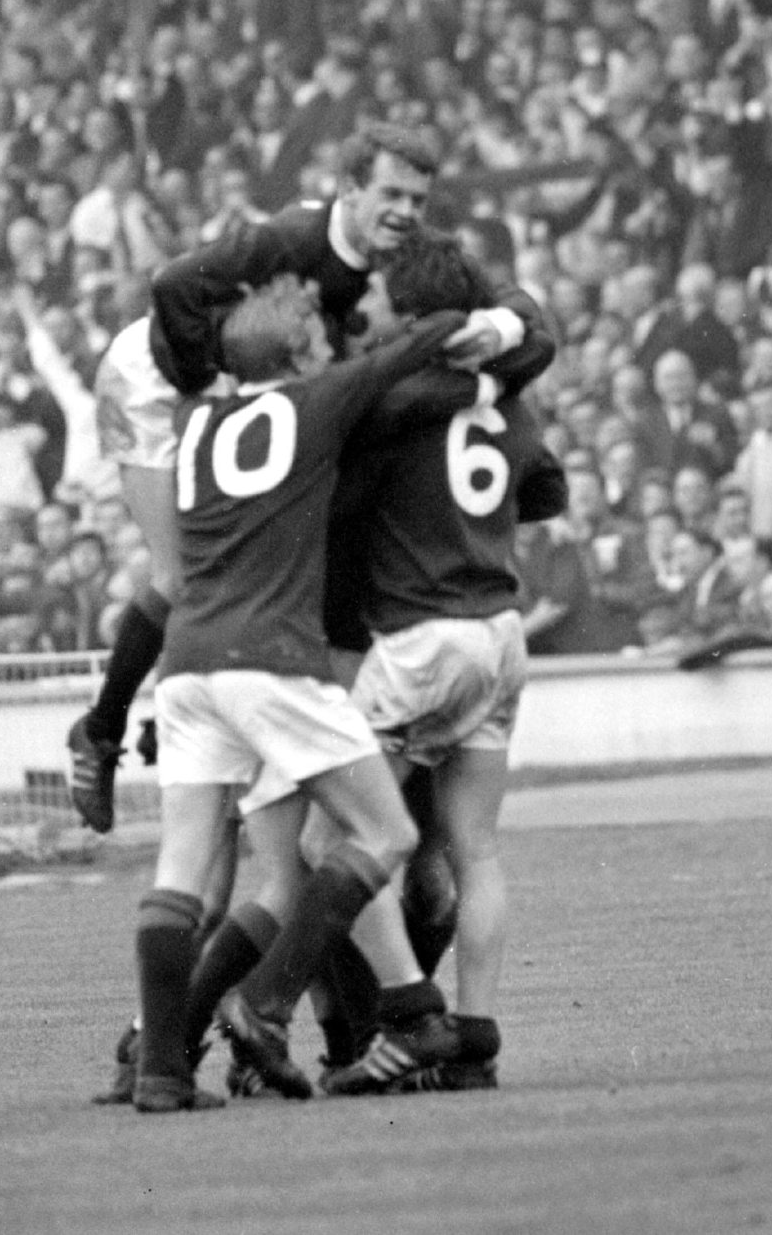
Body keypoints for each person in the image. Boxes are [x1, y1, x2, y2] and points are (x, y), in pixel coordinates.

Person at [68, 123, 545, 833]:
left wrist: (503, 330)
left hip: (259, 395)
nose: (405, 212)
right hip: (156, 383)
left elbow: (526, 312)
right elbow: (170, 285)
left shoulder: (411, 251)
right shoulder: (290, 237)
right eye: (390, 193)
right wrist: (218, 381)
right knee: (184, 576)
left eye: (418, 198)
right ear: (350, 189)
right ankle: (101, 730)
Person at [132, 277, 468, 1112]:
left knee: (183, 866)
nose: (329, 345)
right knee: (384, 828)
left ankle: (161, 1070)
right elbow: (408, 351)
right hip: (272, 659)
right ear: (298, 354)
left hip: (188, 663)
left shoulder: (195, 420)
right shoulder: (313, 402)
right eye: (317, 336)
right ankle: (267, 1002)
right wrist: (476, 320)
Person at [310, 232, 567, 1095]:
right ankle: (477, 1038)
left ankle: (411, 1012)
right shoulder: (506, 393)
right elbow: (548, 488)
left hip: (423, 639)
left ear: (416, 315)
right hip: (501, 630)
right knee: (477, 851)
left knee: (331, 836)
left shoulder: (395, 400)